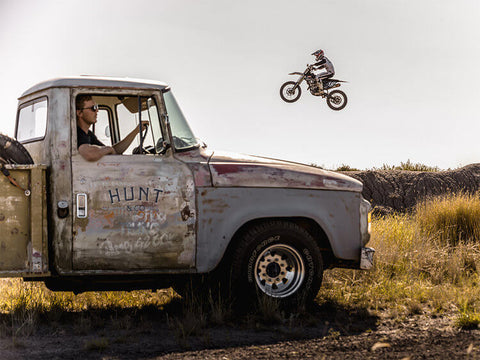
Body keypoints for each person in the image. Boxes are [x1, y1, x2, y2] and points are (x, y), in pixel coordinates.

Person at [76, 95, 148, 161]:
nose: (97, 110)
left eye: (97, 107)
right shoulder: (77, 133)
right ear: (79, 113)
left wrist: (136, 131)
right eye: (93, 108)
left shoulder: (88, 134)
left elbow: (114, 151)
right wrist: (108, 149)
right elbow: (88, 153)